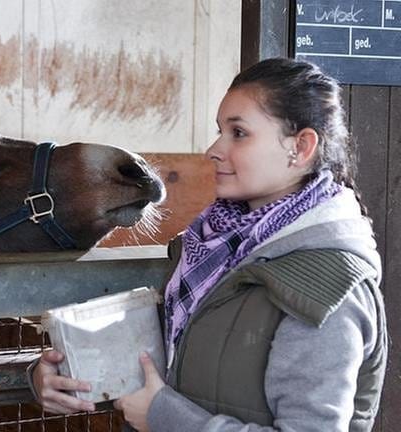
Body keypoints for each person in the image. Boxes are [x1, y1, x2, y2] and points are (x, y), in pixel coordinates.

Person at [30, 57, 387, 431]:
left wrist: (163, 416)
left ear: (300, 146)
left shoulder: (326, 291)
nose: (214, 149)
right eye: (220, 131)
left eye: (239, 133)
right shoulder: (210, 251)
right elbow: (169, 361)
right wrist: (58, 374)